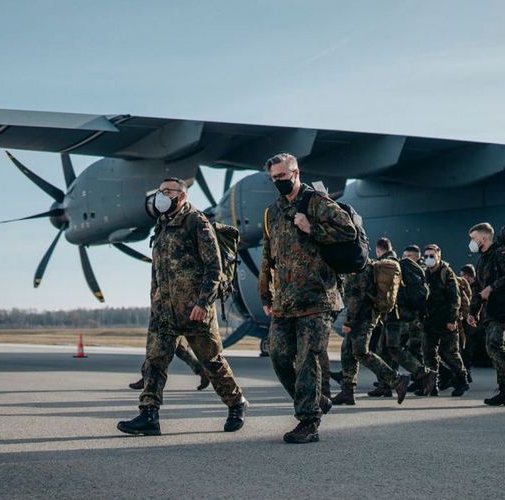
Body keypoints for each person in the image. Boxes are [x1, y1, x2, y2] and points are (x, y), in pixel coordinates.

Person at [118, 178, 247, 436]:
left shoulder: (196, 223)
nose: (162, 195)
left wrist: (203, 302)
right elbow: (158, 272)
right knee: (154, 362)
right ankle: (149, 415)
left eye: (168, 191)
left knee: (212, 362)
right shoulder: (162, 226)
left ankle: (236, 404)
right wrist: (155, 303)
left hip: (194, 311)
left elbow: (214, 268)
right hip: (164, 311)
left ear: (183, 195)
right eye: (160, 190)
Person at [259, 153, 357, 444]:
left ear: (295, 172)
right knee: (278, 356)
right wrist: (266, 294)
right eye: (274, 178)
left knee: (307, 360)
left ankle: (308, 422)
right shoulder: (273, 211)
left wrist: (312, 228)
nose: (278, 181)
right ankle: (316, 401)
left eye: (282, 176)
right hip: (285, 300)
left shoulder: (317, 203)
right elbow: (268, 256)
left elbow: (348, 232)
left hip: (318, 298)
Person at [332, 239, 410, 406]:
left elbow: (356, 297)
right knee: (347, 351)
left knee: (361, 352)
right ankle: (347, 391)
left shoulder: (359, 267)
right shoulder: (361, 263)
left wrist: (349, 321)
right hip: (363, 316)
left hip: (362, 317)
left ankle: (397, 380)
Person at [468, 222, 505, 406]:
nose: (471, 242)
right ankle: (504, 390)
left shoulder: (502, 253)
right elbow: (478, 288)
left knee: (495, 345)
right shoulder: (482, 260)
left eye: (473, 238)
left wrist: (492, 287)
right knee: (493, 347)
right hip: (490, 311)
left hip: (504, 308)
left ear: (484, 238)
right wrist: (473, 312)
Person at [377, 244, 435, 397]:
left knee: (393, 349)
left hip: (396, 316)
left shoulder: (392, 267)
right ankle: (386, 385)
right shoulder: (410, 269)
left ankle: (423, 373)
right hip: (401, 315)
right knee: (385, 349)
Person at [422, 245, 469, 397]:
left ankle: (462, 381)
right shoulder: (425, 274)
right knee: (429, 353)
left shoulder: (446, 273)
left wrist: (452, 320)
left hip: (446, 321)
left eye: (432, 256)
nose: (429, 259)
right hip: (430, 321)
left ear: (439, 256)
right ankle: (432, 384)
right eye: (427, 256)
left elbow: (455, 299)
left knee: (450, 354)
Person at [128, 336, 209, 391]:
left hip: (171, 321)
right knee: (181, 350)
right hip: (175, 321)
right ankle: (203, 372)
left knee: (158, 350)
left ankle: (148, 378)